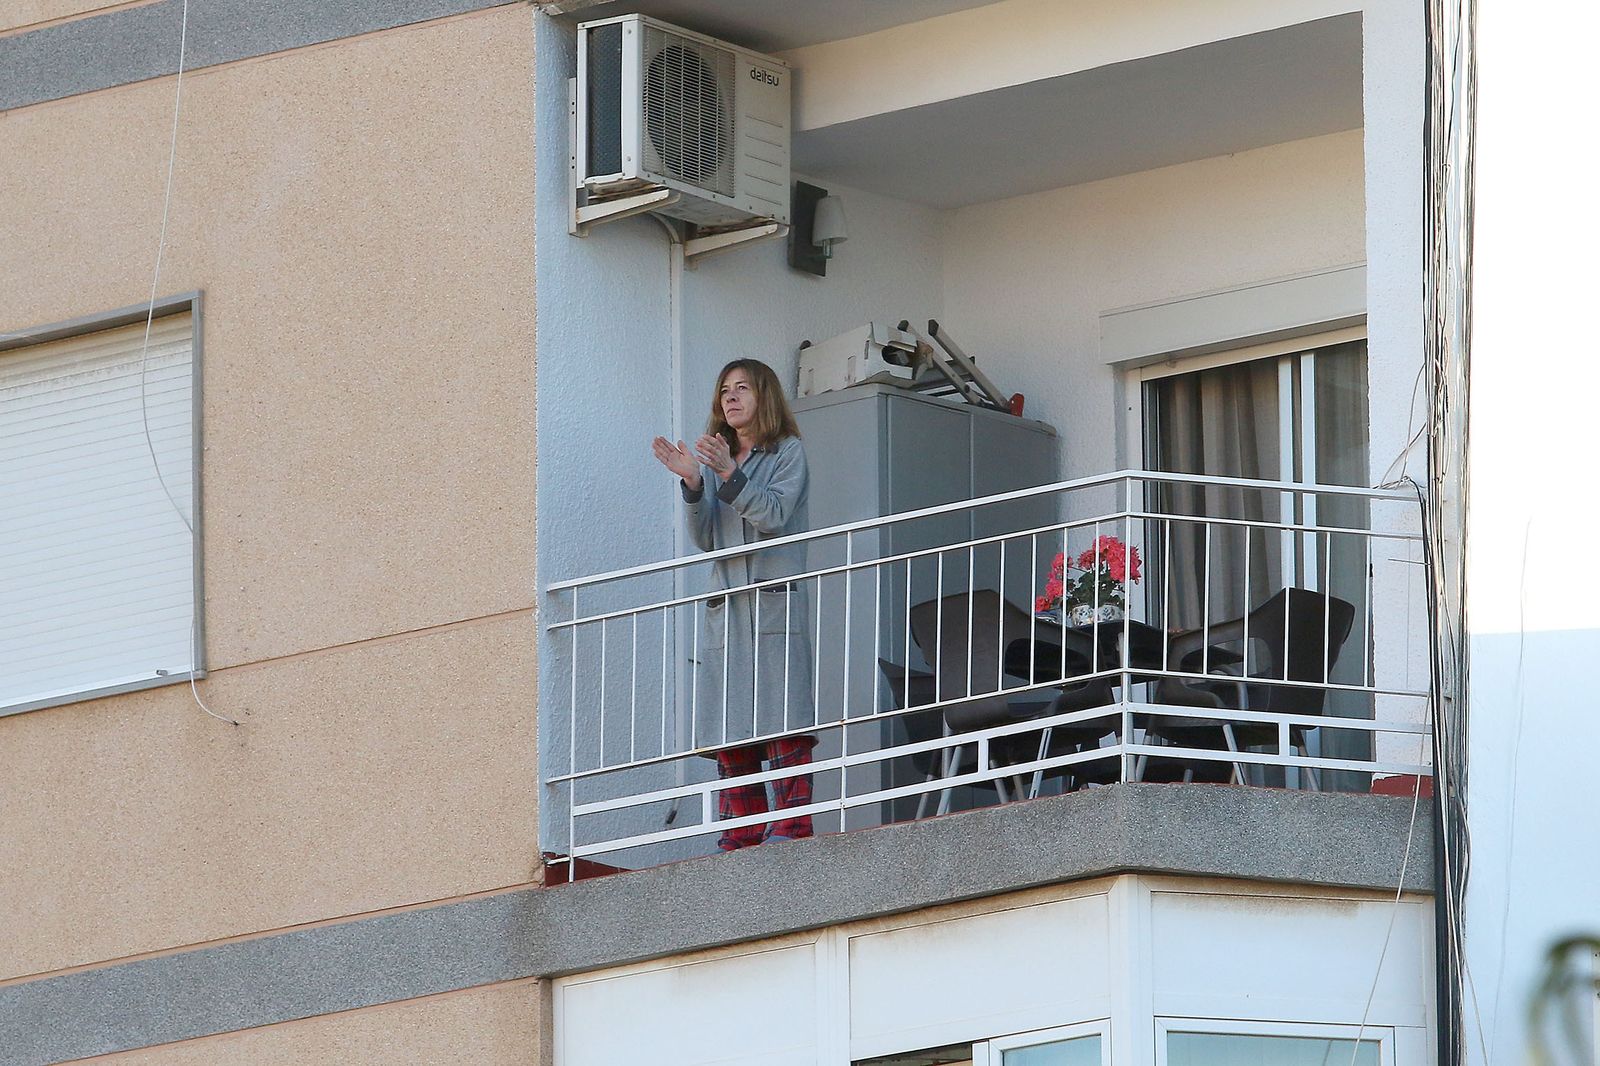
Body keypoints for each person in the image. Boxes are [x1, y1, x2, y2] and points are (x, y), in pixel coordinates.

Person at [651, 359, 815, 850]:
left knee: (783, 717)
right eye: (724, 389)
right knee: (730, 725)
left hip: (771, 603)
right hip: (728, 608)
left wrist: (728, 473)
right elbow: (706, 538)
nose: (731, 397)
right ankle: (740, 836)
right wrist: (694, 484)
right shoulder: (718, 459)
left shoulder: (787, 452)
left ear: (764, 396)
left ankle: (792, 830)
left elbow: (773, 515)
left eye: (742, 388)